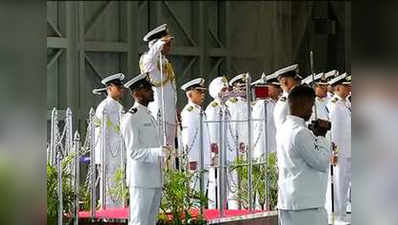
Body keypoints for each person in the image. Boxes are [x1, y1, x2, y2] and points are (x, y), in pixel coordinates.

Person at [276, 85, 333, 225]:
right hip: (306, 206)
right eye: (311, 105)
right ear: (304, 103)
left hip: (290, 201)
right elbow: (321, 163)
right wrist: (322, 137)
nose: (311, 110)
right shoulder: (300, 132)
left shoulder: (284, 127)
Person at [121, 73, 172, 225]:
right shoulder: (132, 118)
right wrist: (158, 152)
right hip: (141, 179)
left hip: (154, 177)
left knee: (151, 221)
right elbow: (133, 152)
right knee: (139, 221)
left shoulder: (149, 115)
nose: (151, 91)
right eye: (147, 88)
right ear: (136, 93)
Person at [139, 24, 178, 150]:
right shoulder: (149, 60)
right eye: (167, 44)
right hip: (159, 113)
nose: (170, 46)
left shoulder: (165, 62)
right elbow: (149, 60)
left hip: (170, 113)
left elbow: (170, 89)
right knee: (161, 150)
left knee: (170, 152)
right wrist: (159, 43)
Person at [180, 78, 215, 208]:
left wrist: (209, 156)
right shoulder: (189, 112)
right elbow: (188, 139)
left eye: (203, 92)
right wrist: (191, 160)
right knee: (194, 194)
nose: (202, 94)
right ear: (190, 94)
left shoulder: (199, 111)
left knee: (201, 194)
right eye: (198, 91)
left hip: (204, 158)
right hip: (195, 160)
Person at [94, 73, 126, 208]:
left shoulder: (119, 107)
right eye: (118, 87)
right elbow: (99, 135)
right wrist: (102, 158)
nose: (122, 90)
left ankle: (118, 217)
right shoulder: (104, 107)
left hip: (118, 155)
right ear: (109, 88)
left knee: (118, 190)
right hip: (107, 155)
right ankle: (108, 219)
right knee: (108, 191)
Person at [205, 76, 235, 209]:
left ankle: (224, 208)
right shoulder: (213, 108)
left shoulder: (225, 107)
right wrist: (213, 154)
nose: (227, 92)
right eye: (224, 89)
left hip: (227, 151)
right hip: (217, 153)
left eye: (227, 89)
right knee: (215, 182)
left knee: (226, 184)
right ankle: (214, 209)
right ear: (217, 91)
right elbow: (212, 133)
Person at [328, 73, 351, 224]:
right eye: (346, 85)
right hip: (340, 152)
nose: (350, 88)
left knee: (344, 184)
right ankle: (337, 216)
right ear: (338, 87)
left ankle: (342, 214)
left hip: (348, 150)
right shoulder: (335, 106)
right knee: (338, 184)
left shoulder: (345, 104)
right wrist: (334, 153)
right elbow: (334, 132)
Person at [225, 73, 250, 209]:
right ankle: (234, 210)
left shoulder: (249, 104)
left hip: (248, 148)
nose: (243, 90)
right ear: (234, 88)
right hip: (234, 149)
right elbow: (231, 128)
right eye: (241, 87)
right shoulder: (231, 104)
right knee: (234, 183)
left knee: (246, 182)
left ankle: (246, 208)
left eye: (245, 87)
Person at [273, 64, 302, 131]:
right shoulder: (285, 101)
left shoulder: (293, 98)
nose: (298, 83)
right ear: (285, 82)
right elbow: (281, 123)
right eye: (295, 80)